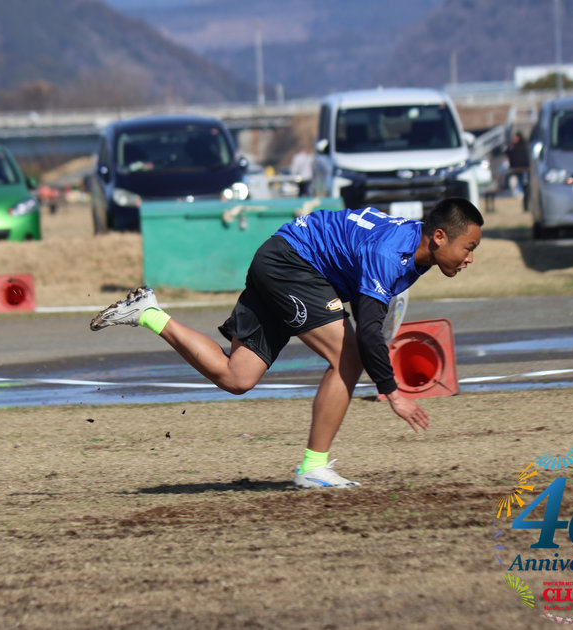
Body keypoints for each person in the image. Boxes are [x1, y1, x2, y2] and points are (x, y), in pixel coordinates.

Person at [91, 197, 483, 488]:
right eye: (468, 248)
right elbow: (367, 331)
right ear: (438, 236)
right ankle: (313, 468)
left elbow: (367, 302)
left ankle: (148, 313)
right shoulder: (391, 252)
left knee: (237, 377)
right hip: (292, 264)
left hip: (283, 259)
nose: (469, 259)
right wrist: (393, 393)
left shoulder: (413, 246)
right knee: (349, 357)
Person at [506, 131, 530, 209]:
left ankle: (526, 205)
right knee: (521, 186)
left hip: (523, 169)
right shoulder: (513, 146)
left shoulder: (523, 146)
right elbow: (508, 153)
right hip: (516, 170)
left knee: (524, 187)